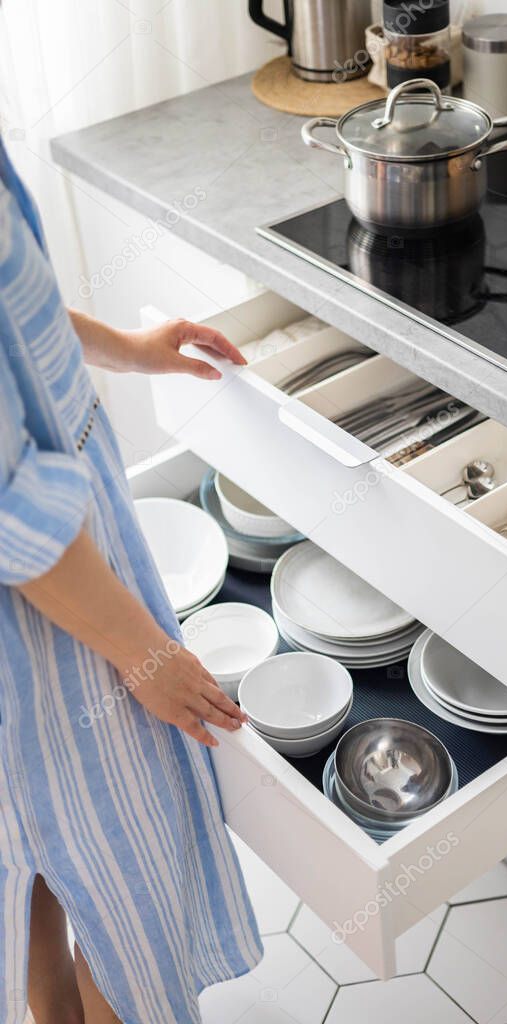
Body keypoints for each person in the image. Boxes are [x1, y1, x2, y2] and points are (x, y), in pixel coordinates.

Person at [0, 136, 263, 1024]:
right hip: (44, 606)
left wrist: (129, 349)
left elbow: (14, 316)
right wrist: (145, 656)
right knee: (125, 898)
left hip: (54, 571)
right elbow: (11, 513)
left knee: (31, 881)